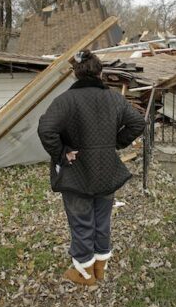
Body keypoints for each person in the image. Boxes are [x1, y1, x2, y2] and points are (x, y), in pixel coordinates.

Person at [37, 49, 145, 286]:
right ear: (100, 73)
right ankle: (99, 268)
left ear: (76, 74)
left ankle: (85, 274)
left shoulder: (65, 100)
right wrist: (116, 143)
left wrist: (62, 153)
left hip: (77, 175)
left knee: (81, 222)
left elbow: (46, 129)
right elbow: (138, 122)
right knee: (102, 220)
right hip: (106, 172)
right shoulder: (115, 99)